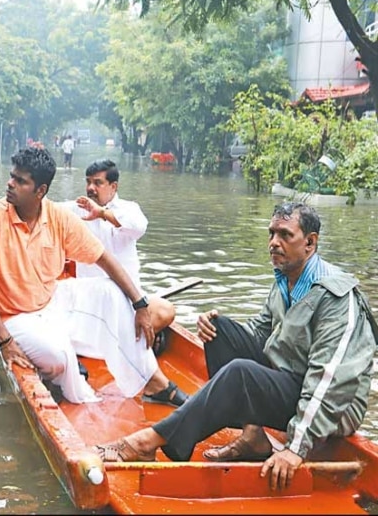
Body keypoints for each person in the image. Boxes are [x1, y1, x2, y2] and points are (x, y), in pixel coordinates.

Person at [95, 202, 377, 490]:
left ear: (310, 243)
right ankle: (253, 436)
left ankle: (147, 441)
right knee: (221, 330)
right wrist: (210, 325)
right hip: (295, 379)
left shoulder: (337, 298)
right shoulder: (286, 279)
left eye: (284, 235)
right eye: (271, 234)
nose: (273, 243)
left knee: (240, 373)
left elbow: (332, 379)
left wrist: (296, 448)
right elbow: (261, 333)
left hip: (335, 406)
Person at [0, 145, 189, 406]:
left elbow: (106, 259)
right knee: (59, 356)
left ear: (41, 191)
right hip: (9, 317)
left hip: (49, 302)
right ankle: (66, 374)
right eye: (12, 176)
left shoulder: (58, 216)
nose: (10, 184)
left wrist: (139, 305)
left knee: (112, 291)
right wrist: (5, 342)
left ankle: (154, 384)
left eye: (20, 181)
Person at [60, 159, 176, 359]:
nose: (90, 188)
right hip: (90, 303)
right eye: (88, 182)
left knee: (165, 310)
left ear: (113, 187)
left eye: (97, 183)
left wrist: (103, 214)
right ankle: (125, 344)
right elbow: (43, 208)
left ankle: (108, 344)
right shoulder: (77, 209)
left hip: (129, 303)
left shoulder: (129, 209)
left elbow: (139, 227)